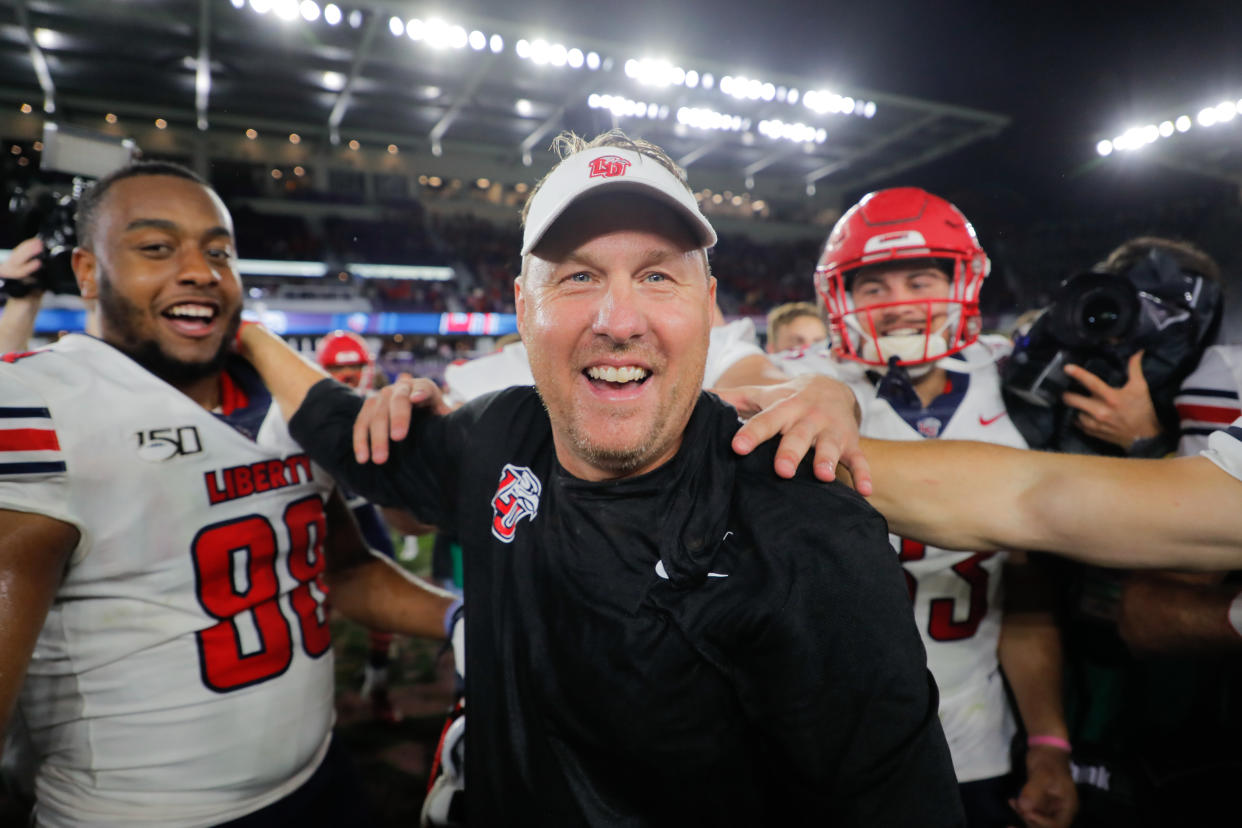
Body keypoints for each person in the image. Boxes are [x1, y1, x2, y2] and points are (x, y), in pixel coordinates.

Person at [238, 129, 964, 825]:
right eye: (579, 276)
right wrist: (246, 331)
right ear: (523, 310)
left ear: (710, 310)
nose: (619, 319)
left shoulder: (808, 531)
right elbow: (339, 423)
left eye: (656, 275)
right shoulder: (495, 432)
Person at [0, 161, 459, 826]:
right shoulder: (40, 405)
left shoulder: (290, 403)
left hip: (324, 778)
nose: (198, 270)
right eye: (157, 248)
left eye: (219, 251)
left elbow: (346, 570)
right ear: (87, 272)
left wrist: (458, 620)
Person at [770, 187, 1075, 827]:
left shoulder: (1021, 389)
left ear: (963, 280)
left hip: (975, 739)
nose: (899, 303)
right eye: (873, 287)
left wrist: (1048, 743)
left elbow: (1024, 600)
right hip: (826, 740)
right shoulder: (799, 387)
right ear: (840, 298)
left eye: (919, 278)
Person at [315, 329, 410, 724]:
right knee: (315, 610)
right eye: (338, 367)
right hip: (319, 516)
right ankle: (318, 696)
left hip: (365, 512)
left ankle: (378, 681)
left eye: (354, 365)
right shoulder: (301, 411)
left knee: (384, 606)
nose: (348, 374)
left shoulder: (379, 406)